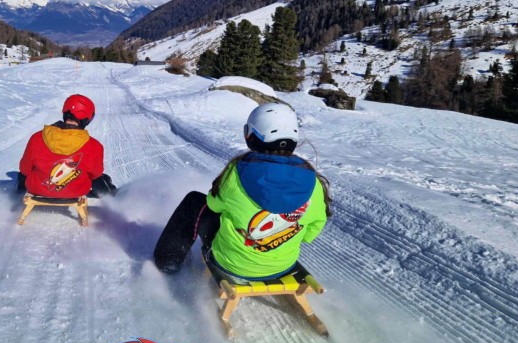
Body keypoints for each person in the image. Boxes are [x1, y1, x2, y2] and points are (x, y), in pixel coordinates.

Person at [153, 102, 330, 281]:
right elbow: (311, 232)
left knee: (194, 202)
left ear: (251, 136)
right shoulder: (313, 182)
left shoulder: (237, 173)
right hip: (282, 266)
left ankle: (167, 262)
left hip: (230, 263)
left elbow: (214, 205)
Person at [18, 94, 116, 199]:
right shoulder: (95, 145)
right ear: (87, 119)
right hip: (76, 191)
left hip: (38, 189)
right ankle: (113, 198)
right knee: (101, 178)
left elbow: (25, 169)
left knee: (22, 176)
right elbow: (96, 174)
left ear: (65, 112)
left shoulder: (37, 137)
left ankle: (17, 196)